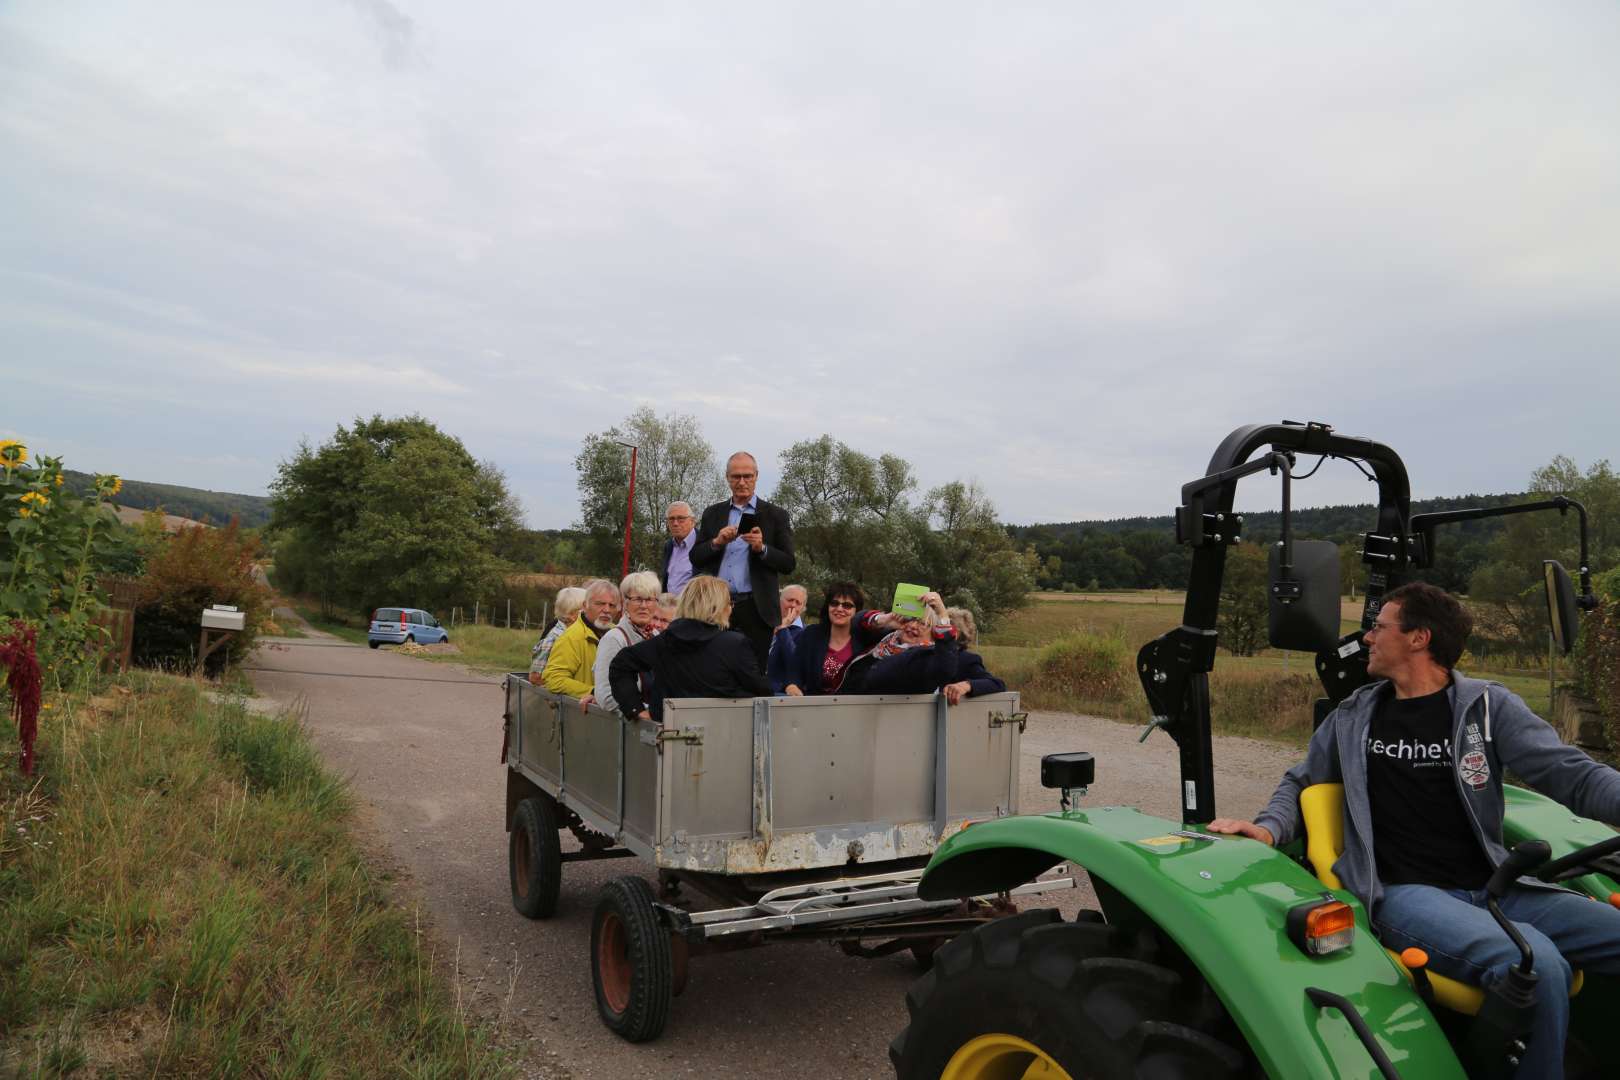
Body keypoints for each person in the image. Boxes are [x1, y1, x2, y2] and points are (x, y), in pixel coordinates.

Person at [1207, 582, 1620, 1080]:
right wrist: (1270, 830)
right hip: (1406, 892)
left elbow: (1573, 775)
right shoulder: (1354, 716)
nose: (1367, 638)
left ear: (1419, 638)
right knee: (1536, 964)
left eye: (1379, 627)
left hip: (1493, 886)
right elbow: (1301, 781)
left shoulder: (1488, 709)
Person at [608, 575, 771, 722]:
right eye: (729, 602)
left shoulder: (666, 639)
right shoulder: (734, 644)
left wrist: (635, 709)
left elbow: (621, 664)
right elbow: (761, 691)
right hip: (721, 733)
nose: (731, 608)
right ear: (718, 607)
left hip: (666, 731)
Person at [689, 451, 796, 669]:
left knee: (753, 671)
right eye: (736, 476)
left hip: (756, 608)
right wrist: (717, 542)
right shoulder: (713, 513)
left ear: (756, 476)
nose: (742, 482)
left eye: (747, 476)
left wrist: (761, 548)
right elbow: (695, 557)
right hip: (715, 607)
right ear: (727, 478)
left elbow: (788, 563)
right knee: (711, 668)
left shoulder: (775, 515)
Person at [780, 582, 890, 696]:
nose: (839, 608)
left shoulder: (867, 639)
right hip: (815, 707)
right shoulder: (811, 634)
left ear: (857, 611)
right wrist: (792, 686)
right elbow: (794, 670)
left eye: (847, 605)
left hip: (855, 708)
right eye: (834, 603)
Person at [592, 571, 662, 716]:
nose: (644, 606)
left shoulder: (656, 636)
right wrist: (645, 711)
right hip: (629, 730)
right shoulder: (614, 639)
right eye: (637, 599)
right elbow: (606, 697)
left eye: (649, 599)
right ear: (625, 603)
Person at [541, 579, 619, 706]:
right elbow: (554, 679)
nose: (606, 610)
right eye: (600, 604)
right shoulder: (571, 637)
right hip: (585, 716)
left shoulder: (619, 635)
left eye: (612, 605)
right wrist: (593, 692)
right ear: (585, 606)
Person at [937, 607, 1006, 704]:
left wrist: (966, 685)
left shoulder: (966, 659)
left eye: (943, 627)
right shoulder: (927, 655)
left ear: (955, 634)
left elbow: (997, 684)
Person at [528, 586, 586, 686]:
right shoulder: (554, 638)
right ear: (572, 615)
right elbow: (535, 677)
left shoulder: (580, 634)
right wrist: (562, 687)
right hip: (555, 698)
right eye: (585, 611)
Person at [765, 584, 807, 694]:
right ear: (779, 600)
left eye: (798, 603)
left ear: (802, 608)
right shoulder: (765, 625)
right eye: (790, 600)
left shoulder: (806, 633)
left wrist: (783, 629)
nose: (793, 605)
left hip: (781, 693)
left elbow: (795, 663)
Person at [660, 502, 699, 595]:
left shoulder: (704, 542)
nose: (675, 523)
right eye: (671, 519)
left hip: (695, 606)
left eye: (681, 518)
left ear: (692, 521)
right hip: (670, 606)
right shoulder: (668, 546)